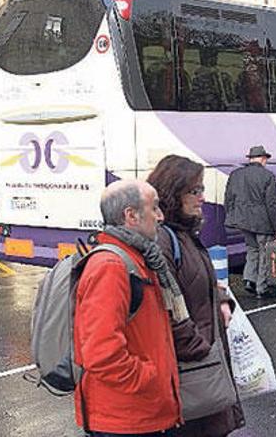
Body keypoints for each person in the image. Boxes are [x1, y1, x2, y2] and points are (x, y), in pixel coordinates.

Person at [73, 180, 189, 437]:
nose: (160, 216)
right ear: (131, 216)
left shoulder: (142, 258)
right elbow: (101, 353)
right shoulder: (111, 267)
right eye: (155, 208)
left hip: (145, 415)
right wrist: (149, 379)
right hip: (127, 421)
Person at [147, 155, 246, 437]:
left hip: (204, 365)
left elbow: (202, 282)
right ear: (172, 193)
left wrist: (223, 300)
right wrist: (200, 349)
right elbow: (167, 305)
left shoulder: (185, 234)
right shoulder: (164, 240)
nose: (202, 197)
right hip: (193, 372)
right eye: (194, 190)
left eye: (202, 189)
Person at [223, 145, 276, 298]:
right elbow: (272, 204)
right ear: (263, 159)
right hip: (262, 222)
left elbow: (228, 199)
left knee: (252, 249)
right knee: (264, 253)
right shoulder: (268, 176)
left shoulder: (235, 174)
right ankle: (261, 288)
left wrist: (232, 216)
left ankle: (249, 279)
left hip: (243, 221)